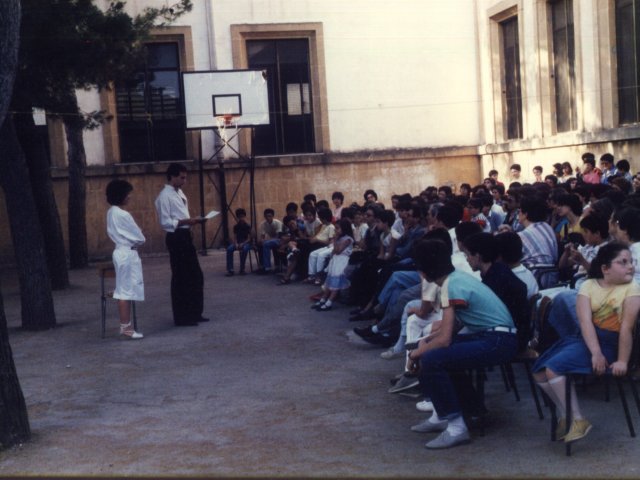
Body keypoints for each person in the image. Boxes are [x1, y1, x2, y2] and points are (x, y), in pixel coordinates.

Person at [407, 239, 517, 449]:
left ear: (424, 271)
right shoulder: (455, 279)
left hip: (498, 341)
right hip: (496, 338)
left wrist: (417, 354)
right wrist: (425, 342)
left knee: (431, 358)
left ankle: (457, 427)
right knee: (430, 350)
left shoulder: (451, 285)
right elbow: (455, 325)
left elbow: (445, 338)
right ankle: (455, 413)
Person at [533, 243, 640, 444]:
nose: (630, 267)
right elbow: (584, 323)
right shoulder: (588, 286)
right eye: (623, 262)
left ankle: (577, 419)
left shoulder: (632, 289)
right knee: (538, 371)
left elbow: (626, 329)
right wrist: (595, 352)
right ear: (605, 269)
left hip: (612, 344)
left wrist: (623, 361)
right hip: (587, 340)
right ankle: (567, 415)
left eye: (631, 262)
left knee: (553, 369)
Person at [154, 163, 208, 327]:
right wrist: (187, 221)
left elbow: (182, 214)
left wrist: (192, 222)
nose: (184, 181)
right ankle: (182, 317)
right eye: (181, 177)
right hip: (176, 236)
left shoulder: (179, 193)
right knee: (181, 276)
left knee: (195, 275)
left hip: (185, 234)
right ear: (172, 176)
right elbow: (165, 222)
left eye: (185, 177)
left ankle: (194, 312)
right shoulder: (164, 196)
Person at [106, 179, 145, 339]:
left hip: (120, 251)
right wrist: (140, 236)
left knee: (124, 289)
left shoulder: (112, 212)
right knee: (125, 291)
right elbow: (140, 237)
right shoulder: (123, 214)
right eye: (128, 194)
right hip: (127, 253)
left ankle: (126, 325)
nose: (130, 197)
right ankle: (126, 327)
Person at [311, 219, 354, 311]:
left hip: (342, 261)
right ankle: (323, 299)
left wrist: (335, 239)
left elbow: (338, 251)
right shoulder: (339, 238)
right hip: (335, 261)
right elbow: (334, 251)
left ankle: (329, 302)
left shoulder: (348, 239)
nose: (335, 231)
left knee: (336, 282)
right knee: (329, 281)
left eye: (337, 228)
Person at [225, 208, 252, 277]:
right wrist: (236, 243)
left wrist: (243, 243)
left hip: (246, 243)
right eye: (239, 217)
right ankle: (230, 269)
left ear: (244, 216)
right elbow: (235, 237)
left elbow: (249, 238)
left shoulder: (248, 226)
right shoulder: (236, 227)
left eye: (242, 216)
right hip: (238, 243)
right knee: (229, 249)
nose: (241, 218)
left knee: (245, 249)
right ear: (238, 217)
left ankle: (242, 269)